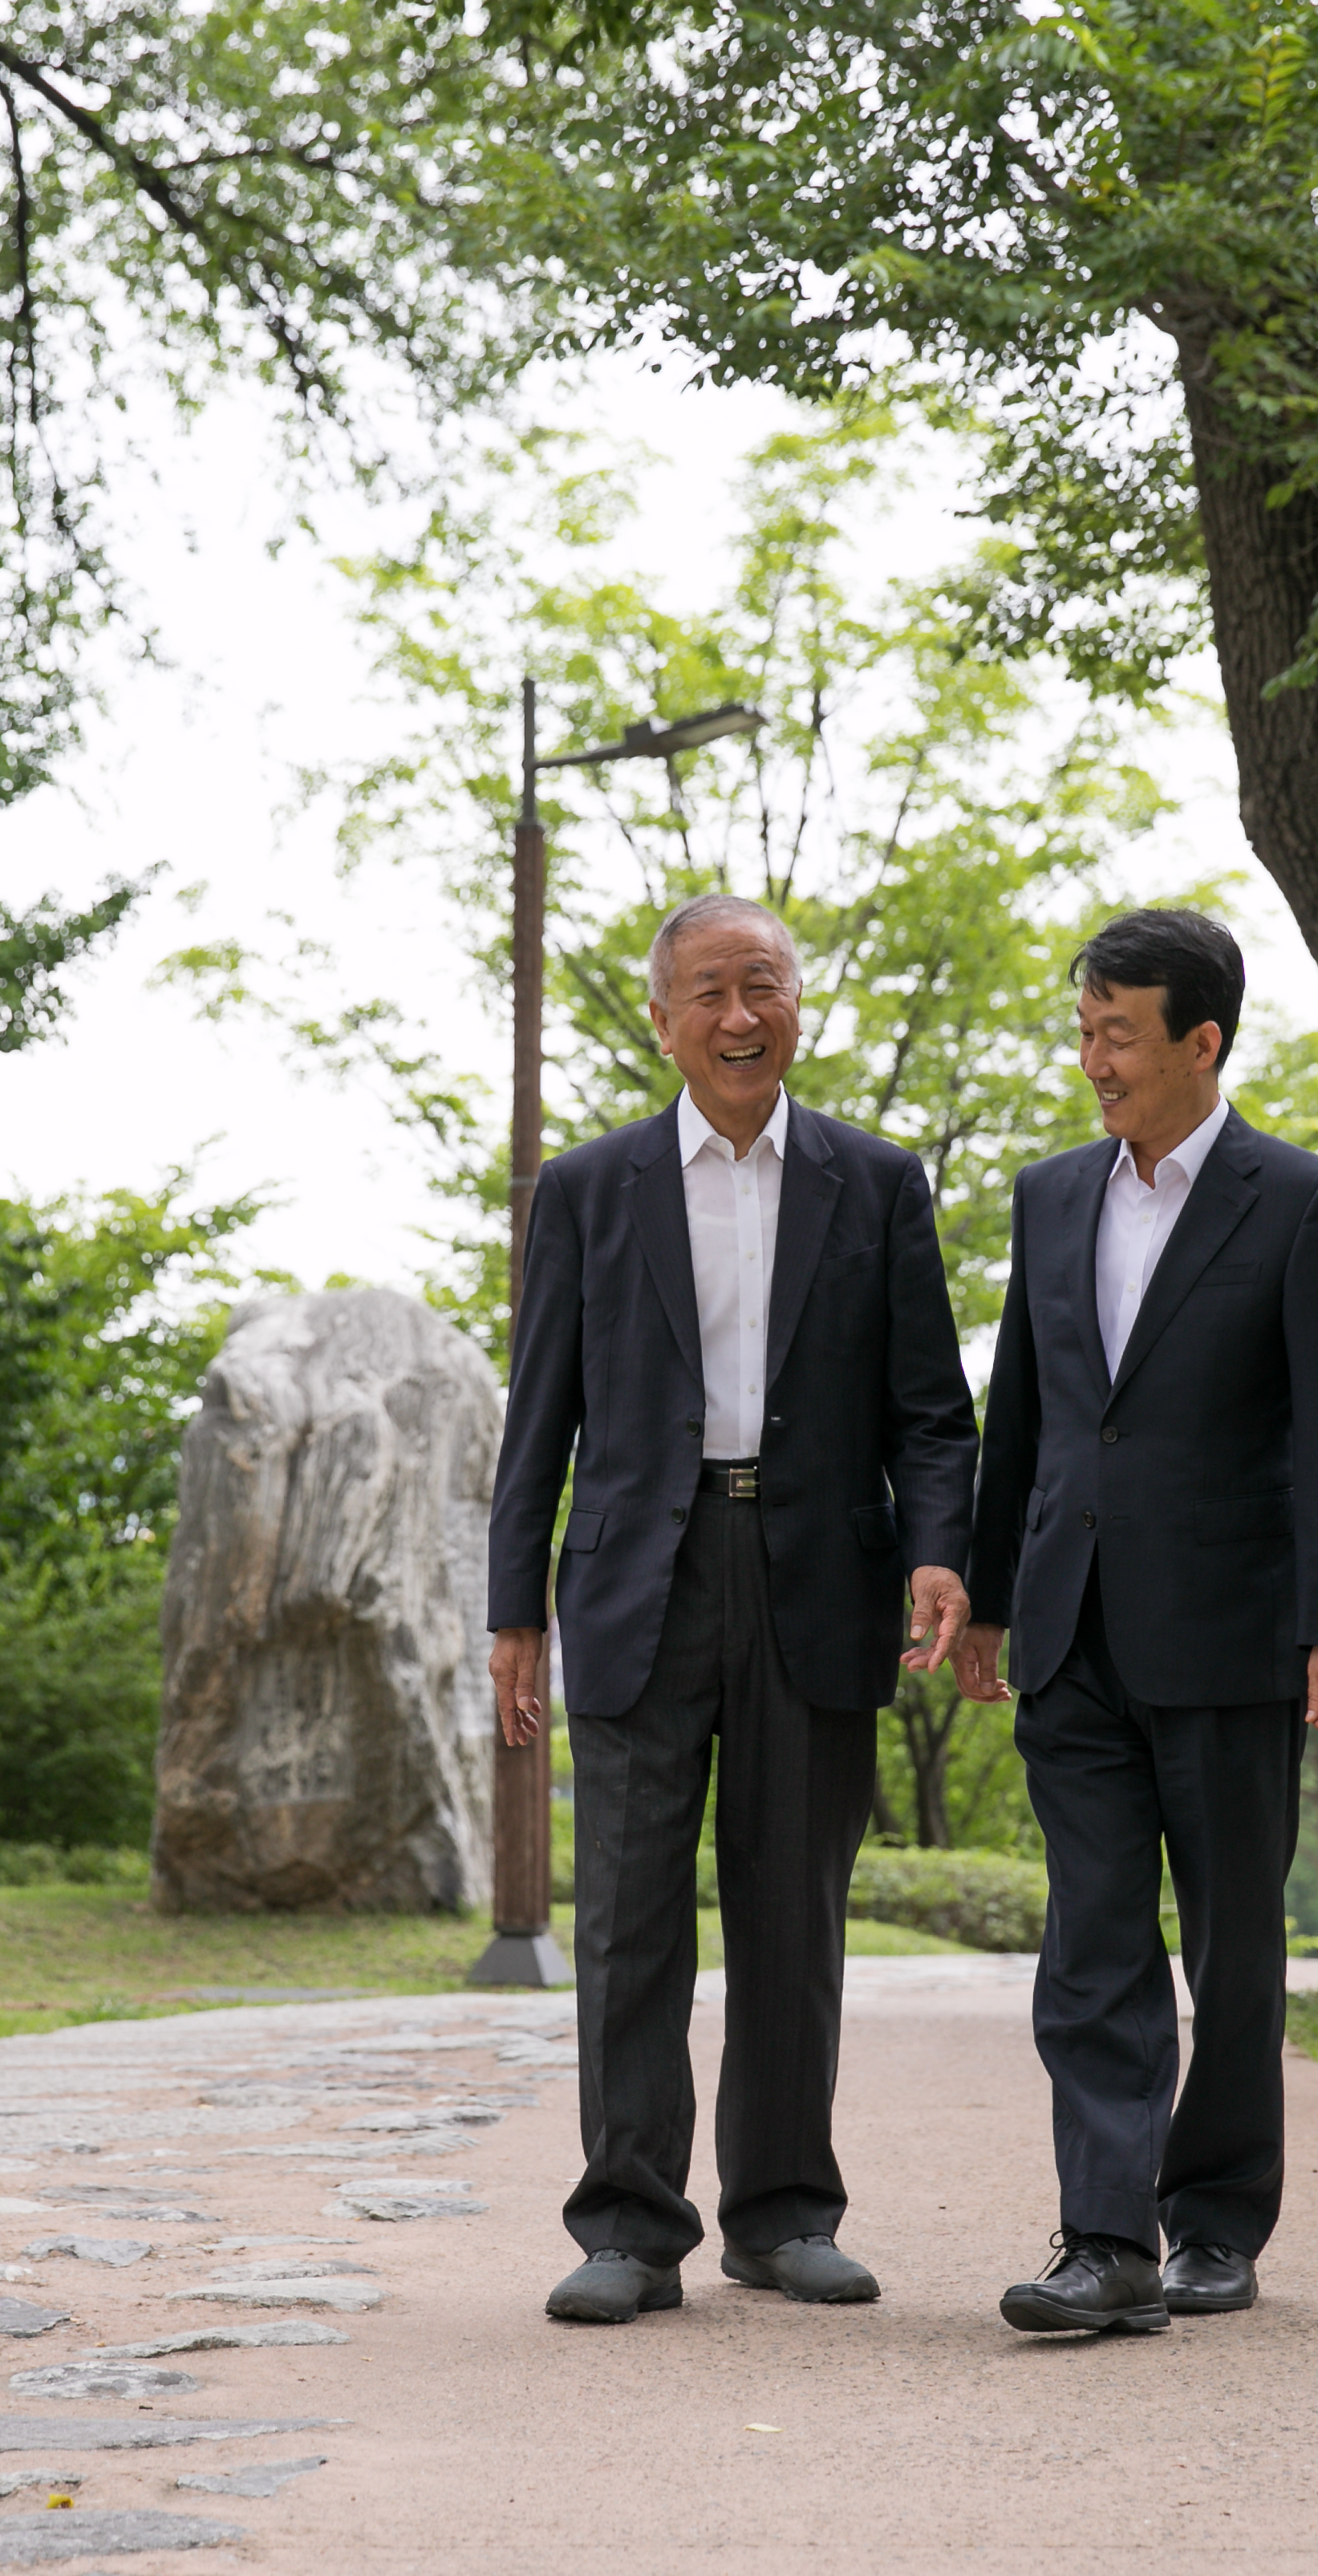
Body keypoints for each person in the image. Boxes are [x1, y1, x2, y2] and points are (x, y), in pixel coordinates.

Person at [489, 892, 979, 2325]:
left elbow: (931, 1412)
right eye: (706, 991)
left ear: (797, 1005)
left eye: (760, 985)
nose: (737, 1016)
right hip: (643, 1576)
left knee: (791, 1907)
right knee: (629, 1912)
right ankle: (630, 2227)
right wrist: (515, 1606)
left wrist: (938, 1552)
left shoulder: (877, 1182)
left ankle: (782, 2213)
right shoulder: (591, 1188)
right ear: (661, 1020)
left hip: (818, 1573)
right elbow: (540, 1418)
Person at [955, 906, 1318, 2335]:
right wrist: (984, 1592)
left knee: (1228, 1947)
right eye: (1082, 1030)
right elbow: (1021, 1410)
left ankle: (1213, 2218)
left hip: (1230, 1632)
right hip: (1070, 1630)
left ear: (1202, 1040)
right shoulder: (1051, 1194)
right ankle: (1103, 2237)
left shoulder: (1304, 1202)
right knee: (1091, 1940)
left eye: (1116, 1034)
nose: (1092, 1059)